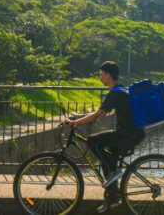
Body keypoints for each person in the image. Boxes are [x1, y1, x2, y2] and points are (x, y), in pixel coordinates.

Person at [64, 61, 145, 213]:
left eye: (101, 74)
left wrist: (75, 122)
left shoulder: (115, 92)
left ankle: (113, 179)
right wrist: (78, 118)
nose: (100, 77)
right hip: (132, 133)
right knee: (107, 160)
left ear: (108, 75)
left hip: (127, 135)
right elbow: (102, 111)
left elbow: (98, 115)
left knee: (93, 141)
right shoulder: (119, 91)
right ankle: (112, 196)